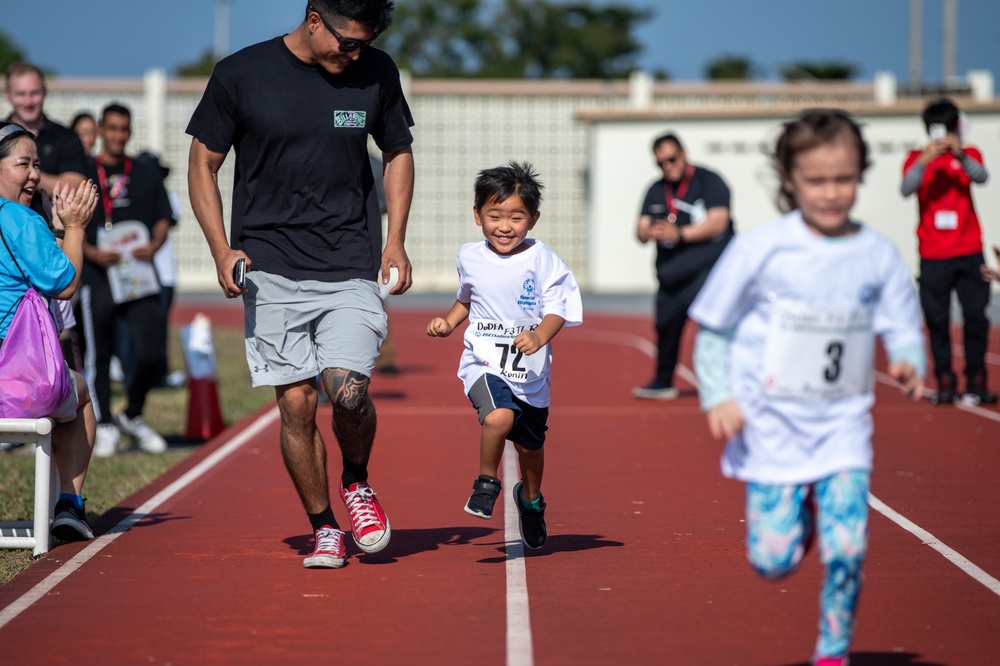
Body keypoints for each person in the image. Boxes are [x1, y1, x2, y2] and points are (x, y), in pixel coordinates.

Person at [689, 110, 926, 666]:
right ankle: (804, 513)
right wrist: (717, 394)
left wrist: (910, 357)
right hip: (772, 429)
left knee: (849, 549)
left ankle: (832, 651)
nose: (830, 193)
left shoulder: (877, 254)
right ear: (789, 179)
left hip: (842, 427)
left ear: (860, 176)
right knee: (773, 561)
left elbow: (901, 321)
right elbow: (714, 329)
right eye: (816, 181)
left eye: (843, 179)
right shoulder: (760, 249)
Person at [186, 0, 415, 569]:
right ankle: (324, 527)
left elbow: (398, 153)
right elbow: (201, 162)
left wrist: (396, 240)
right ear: (314, 19)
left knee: (349, 392)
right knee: (295, 405)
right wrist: (221, 248)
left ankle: (356, 483)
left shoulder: (377, 72)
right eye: (346, 42)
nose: (353, 53)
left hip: (348, 264)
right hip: (270, 268)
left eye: (362, 44)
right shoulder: (241, 74)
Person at [427, 162, 583, 549]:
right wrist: (449, 323)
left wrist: (540, 335)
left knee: (530, 447)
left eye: (516, 217)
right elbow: (467, 299)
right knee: (498, 417)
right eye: (494, 215)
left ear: (533, 219)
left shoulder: (543, 260)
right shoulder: (469, 256)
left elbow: (558, 308)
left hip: (529, 370)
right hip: (482, 361)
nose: (504, 226)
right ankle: (486, 482)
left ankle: (530, 501)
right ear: (477, 215)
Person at [0, 121, 101, 541]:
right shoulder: (18, 218)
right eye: (24, 163)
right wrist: (74, 227)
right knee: (79, 392)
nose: (35, 174)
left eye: (38, 164)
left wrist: (56, 231)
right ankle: (69, 505)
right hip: (14, 381)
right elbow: (65, 283)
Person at [79, 103, 172, 457]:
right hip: (99, 275)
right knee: (98, 353)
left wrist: (156, 243)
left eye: (124, 129)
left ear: (129, 132)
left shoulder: (145, 173)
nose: (118, 135)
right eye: (112, 128)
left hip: (138, 276)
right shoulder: (85, 171)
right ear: (101, 129)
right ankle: (103, 423)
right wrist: (90, 253)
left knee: (150, 352)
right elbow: (69, 221)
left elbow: (164, 216)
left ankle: (131, 414)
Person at [901, 97, 995, 406]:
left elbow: (982, 177)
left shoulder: (969, 154)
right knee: (937, 320)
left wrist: (959, 154)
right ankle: (944, 378)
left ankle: (977, 379)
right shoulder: (916, 158)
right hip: (933, 254)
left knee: (975, 318)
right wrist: (924, 161)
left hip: (968, 250)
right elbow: (905, 188)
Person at [632, 132, 734, 400]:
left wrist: (680, 234)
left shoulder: (709, 181)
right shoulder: (656, 189)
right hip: (671, 275)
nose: (667, 165)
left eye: (671, 159)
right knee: (665, 327)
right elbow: (640, 231)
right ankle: (663, 381)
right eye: (661, 163)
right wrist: (650, 231)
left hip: (709, 270)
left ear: (684, 153)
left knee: (716, 326)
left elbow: (719, 221)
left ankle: (728, 384)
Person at [3, 63, 87, 192]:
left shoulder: (67, 138)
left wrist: (18, 173)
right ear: (7, 94)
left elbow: (74, 186)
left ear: (44, 91)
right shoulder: (0, 134)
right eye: (20, 94)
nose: (28, 101)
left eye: (34, 93)